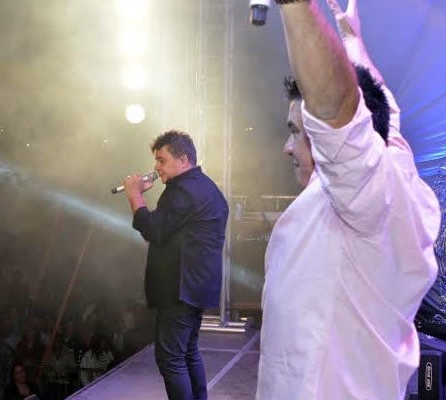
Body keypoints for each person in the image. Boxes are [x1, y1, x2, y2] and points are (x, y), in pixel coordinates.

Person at [255, 0, 440, 399]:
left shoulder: (367, 196)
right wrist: (353, 45)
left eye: (297, 131)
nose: (287, 147)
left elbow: (340, 110)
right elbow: (384, 114)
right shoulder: (394, 175)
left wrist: (295, 5)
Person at [123, 130, 229, 400]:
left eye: (162, 160)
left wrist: (135, 195)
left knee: (170, 358)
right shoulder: (208, 187)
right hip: (198, 285)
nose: (156, 167)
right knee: (188, 351)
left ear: (183, 159)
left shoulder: (181, 190)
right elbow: (170, 231)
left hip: (180, 287)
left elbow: (153, 229)